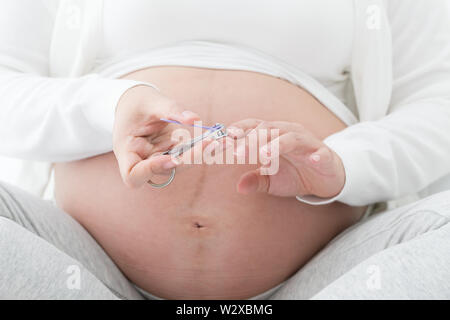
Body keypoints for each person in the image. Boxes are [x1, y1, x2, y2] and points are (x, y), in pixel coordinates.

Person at [0, 0, 449, 299]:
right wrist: (112, 108)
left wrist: (341, 165)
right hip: (88, 272)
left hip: (325, 278)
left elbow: (437, 102)